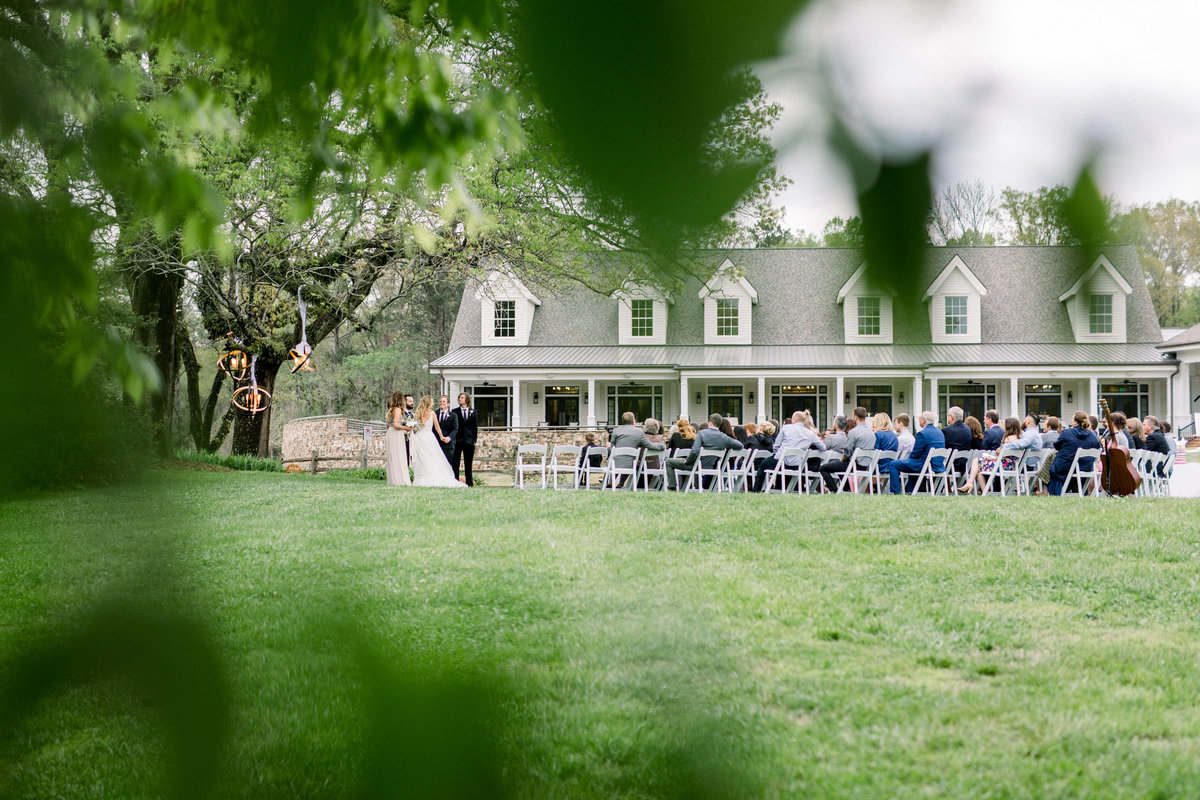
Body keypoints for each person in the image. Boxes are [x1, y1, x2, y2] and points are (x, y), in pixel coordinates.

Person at [751, 410, 826, 493]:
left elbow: (776, 446)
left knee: (763, 465)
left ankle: (756, 490)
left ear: (794, 420)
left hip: (780, 462)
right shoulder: (810, 434)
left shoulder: (786, 428)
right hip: (797, 465)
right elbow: (823, 447)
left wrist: (777, 454)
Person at [666, 413, 744, 490]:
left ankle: (672, 487)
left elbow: (695, 451)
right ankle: (696, 487)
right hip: (712, 466)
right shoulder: (724, 437)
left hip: (697, 465)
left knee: (669, 462)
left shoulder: (702, 433)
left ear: (710, 423)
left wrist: (687, 461)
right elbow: (740, 445)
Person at [409, 396, 467, 488]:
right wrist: (441, 437)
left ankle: (422, 477)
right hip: (428, 437)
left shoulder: (417, 413)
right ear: (428, 403)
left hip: (419, 437)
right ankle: (429, 476)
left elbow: (415, 427)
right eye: (432, 402)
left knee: (422, 458)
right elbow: (437, 427)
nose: (433, 403)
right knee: (431, 457)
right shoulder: (432, 413)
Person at [883, 411, 945, 494]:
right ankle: (913, 491)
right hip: (937, 464)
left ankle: (895, 492)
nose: (919, 420)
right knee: (911, 464)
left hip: (924, 465)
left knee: (893, 464)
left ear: (923, 420)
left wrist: (909, 459)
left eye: (920, 419)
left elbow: (916, 453)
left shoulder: (922, 433)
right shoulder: (940, 432)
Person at [957, 416, 1021, 494]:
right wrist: (994, 458)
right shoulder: (1018, 439)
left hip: (1001, 466)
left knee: (976, 461)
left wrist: (995, 455)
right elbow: (1006, 456)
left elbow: (999, 451)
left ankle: (970, 483)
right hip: (1009, 466)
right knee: (979, 471)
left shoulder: (1008, 439)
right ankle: (985, 492)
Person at [820, 407, 873, 492]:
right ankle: (846, 488)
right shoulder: (871, 433)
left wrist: (843, 458)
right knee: (838, 465)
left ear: (855, 417)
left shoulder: (854, 432)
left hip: (853, 465)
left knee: (823, 468)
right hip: (866, 466)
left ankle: (834, 490)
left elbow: (848, 451)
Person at [1047, 411, 1101, 495]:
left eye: (1072, 419)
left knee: (1053, 465)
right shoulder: (1093, 435)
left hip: (1065, 468)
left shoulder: (1066, 433)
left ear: (1075, 422)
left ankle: (1055, 492)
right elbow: (1099, 448)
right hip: (1086, 467)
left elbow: (1056, 446)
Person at [609, 411, 665, 484]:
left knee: (625, 459)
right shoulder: (639, 432)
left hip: (616, 463)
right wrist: (661, 445)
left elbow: (612, 445)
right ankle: (620, 483)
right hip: (644, 465)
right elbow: (649, 445)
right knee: (631, 460)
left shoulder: (616, 430)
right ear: (633, 421)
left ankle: (611, 482)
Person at [384, 391, 412, 486]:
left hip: (390, 434)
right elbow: (396, 425)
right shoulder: (398, 410)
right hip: (396, 434)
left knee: (393, 457)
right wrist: (406, 428)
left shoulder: (389, 411)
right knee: (398, 456)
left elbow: (388, 425)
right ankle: (399, 480)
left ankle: (393, 480)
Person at [453, 391, 478, 486]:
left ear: (467, 400)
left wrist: (473, 440)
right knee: (456, 463)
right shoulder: (454, 411)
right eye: (459, 398)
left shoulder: (473, 412)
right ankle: (455, 482)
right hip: (458, 441)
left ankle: (469, 483)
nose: (460, 399)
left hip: (469, 442)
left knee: (468, 464)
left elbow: (474, 427)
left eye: (462, 397)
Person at [942, 406, 973, 476]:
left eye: (948, 415)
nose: (947, 417)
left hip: (950, 465)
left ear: (952, 417)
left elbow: (943, 447)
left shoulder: (946, 430)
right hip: (964, 465)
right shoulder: (967, 429)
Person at [434, 394, 458, 465]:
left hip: (448, 444)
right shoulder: (434, 414)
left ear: (448, 404)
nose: (442, 403)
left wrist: (449, 438)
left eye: (444, 401)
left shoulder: (453, 415)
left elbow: (455, 429)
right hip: (436, 442)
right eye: (440, 401)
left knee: (447, 464)